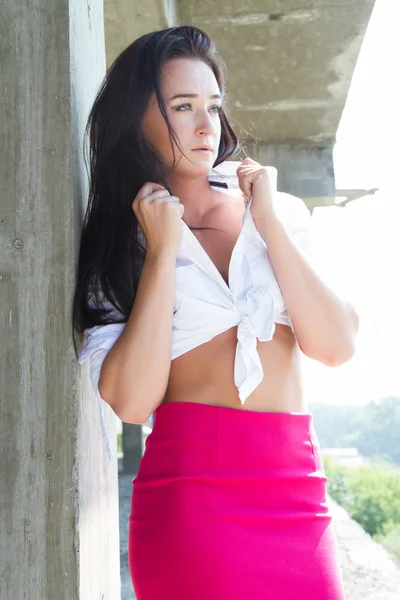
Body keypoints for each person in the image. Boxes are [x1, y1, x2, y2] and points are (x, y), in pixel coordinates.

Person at [72, 24, 359, 600]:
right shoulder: (120, 241)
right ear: (138, 121)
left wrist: (270, 223)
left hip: (295, 492)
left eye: (213, 105)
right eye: (183, 107)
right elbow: (131, 401)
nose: (206, 126)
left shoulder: (275, 210)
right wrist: (161, 250)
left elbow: (336, 346)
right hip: (192, 505)